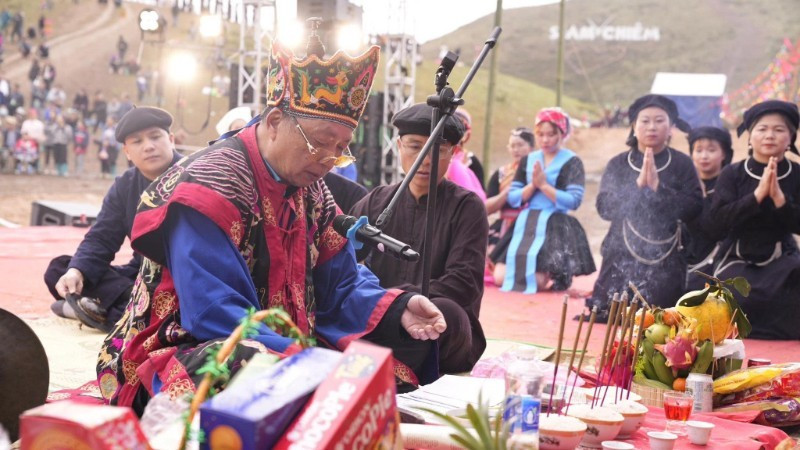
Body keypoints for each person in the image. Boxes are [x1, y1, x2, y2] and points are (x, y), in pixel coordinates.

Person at [96, 43, 446, 413]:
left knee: (408, 339)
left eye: (340, 149)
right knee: (246, 366)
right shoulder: (211, 185)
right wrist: (307, 359)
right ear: (277, 122)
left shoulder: (311, 187)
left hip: (287, 339)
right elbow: (213, 312)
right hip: (187, 345)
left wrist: (396, 308)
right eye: (321, 143)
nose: (329, 161)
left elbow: (341, 280)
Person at [350, 103, 488, 374]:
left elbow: (463, 283)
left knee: (447, 313)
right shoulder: (375, 202)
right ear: (399, 146)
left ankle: (388, 366)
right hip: (382, 315)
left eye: (438, 149)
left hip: (433, 321)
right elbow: (343, 265)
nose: (425, 159)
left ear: (454, 153)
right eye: (415, 146)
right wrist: (384, 306)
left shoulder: (467, 207)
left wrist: (401, 300)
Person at [44, 107, 181, 332]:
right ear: (127, 152)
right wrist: (76, 271)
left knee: (166, 301)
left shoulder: (194, 175)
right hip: (138, 275)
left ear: (171, 139)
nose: (148, 146)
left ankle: (92, 311)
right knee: (60, 269)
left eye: (155, 137)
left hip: (179, 277)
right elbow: (101, 238)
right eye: (137, 142)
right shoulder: (124, 186)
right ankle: (131, 311)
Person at [582, 95, 702, 320]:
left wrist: (659, 188)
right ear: (633, 127)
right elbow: (604, 208)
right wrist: (637, 186)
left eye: (659, 121)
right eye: (645, 121)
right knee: (611, 313)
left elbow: (694, 207)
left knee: (659, 316)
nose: (652, 127)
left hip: (666, 253)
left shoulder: (682, 164)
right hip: (621, 250)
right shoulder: (618, 164)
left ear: (671, 128)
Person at [709, 100, 800, 340]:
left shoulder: (797, 174)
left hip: (782, 258)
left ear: (790, 138)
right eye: (762, 129)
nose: (770, 135)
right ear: (750, 137)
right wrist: (757, 196)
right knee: (729, 297)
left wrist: (780, 200)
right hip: (737, 258)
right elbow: (716, 223)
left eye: (779, 129)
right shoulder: (732, 173)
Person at [493, 108, 595, 293]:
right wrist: (533, 185)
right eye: (540, 134)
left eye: (551, 134)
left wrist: (545, 186)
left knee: (537, 282)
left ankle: (553, 272)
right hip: (526, 222)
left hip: (556, 223)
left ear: (562, 134)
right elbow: (514, 198)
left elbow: (573, 201)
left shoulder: (572, 161)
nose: (545, 140)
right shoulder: (529, 160)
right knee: (500, 277)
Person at [684, 126, 733, 289]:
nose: (704, 156)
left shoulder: (731, 185)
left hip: (720, 261)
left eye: (711, 150)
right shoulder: (685, 184)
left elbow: (716, 228)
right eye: (698, 150)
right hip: (686, 259)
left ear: (724, 154)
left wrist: (703, 198)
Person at [486, 127, 534, 272]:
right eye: (512, 146)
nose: (516, 150)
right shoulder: (501, 174)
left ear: (531, 147)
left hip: (530, 226)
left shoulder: (538, 172)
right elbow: (487, 207)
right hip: (503, 226)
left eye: (520, 145)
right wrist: (507, 193)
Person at [444, 108, 486, 201]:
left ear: (467, 134)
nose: (455, 132)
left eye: (462, 128)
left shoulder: (471, 161)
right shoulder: (434, 154)